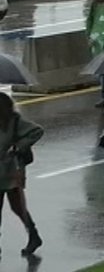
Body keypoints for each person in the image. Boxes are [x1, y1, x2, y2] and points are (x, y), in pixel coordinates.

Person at [0, 92, 44, 255]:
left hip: (12, 173)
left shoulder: (16, 122)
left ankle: (33, 236)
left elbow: (37, 131)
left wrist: (18, 146)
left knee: (18, 207)